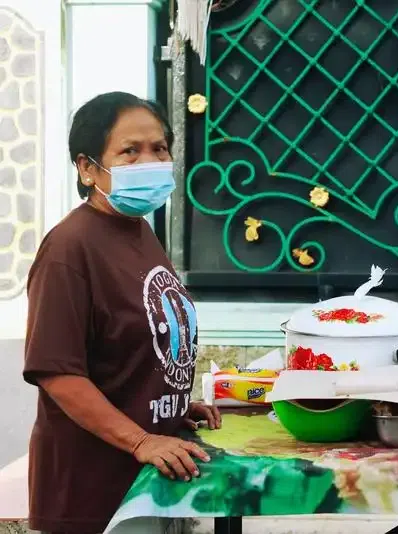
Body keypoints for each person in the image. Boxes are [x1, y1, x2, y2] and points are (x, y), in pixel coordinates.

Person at [23, 92, 222, 534]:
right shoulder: (69, 249)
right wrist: (141, 439)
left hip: (153, 482)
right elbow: (59, 374)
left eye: (159, 148)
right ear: (87, 167)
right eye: (130, 151)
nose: (149, 161)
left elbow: (137, 341)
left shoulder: (139, 232)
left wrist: (168, 406)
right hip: (96, 495)